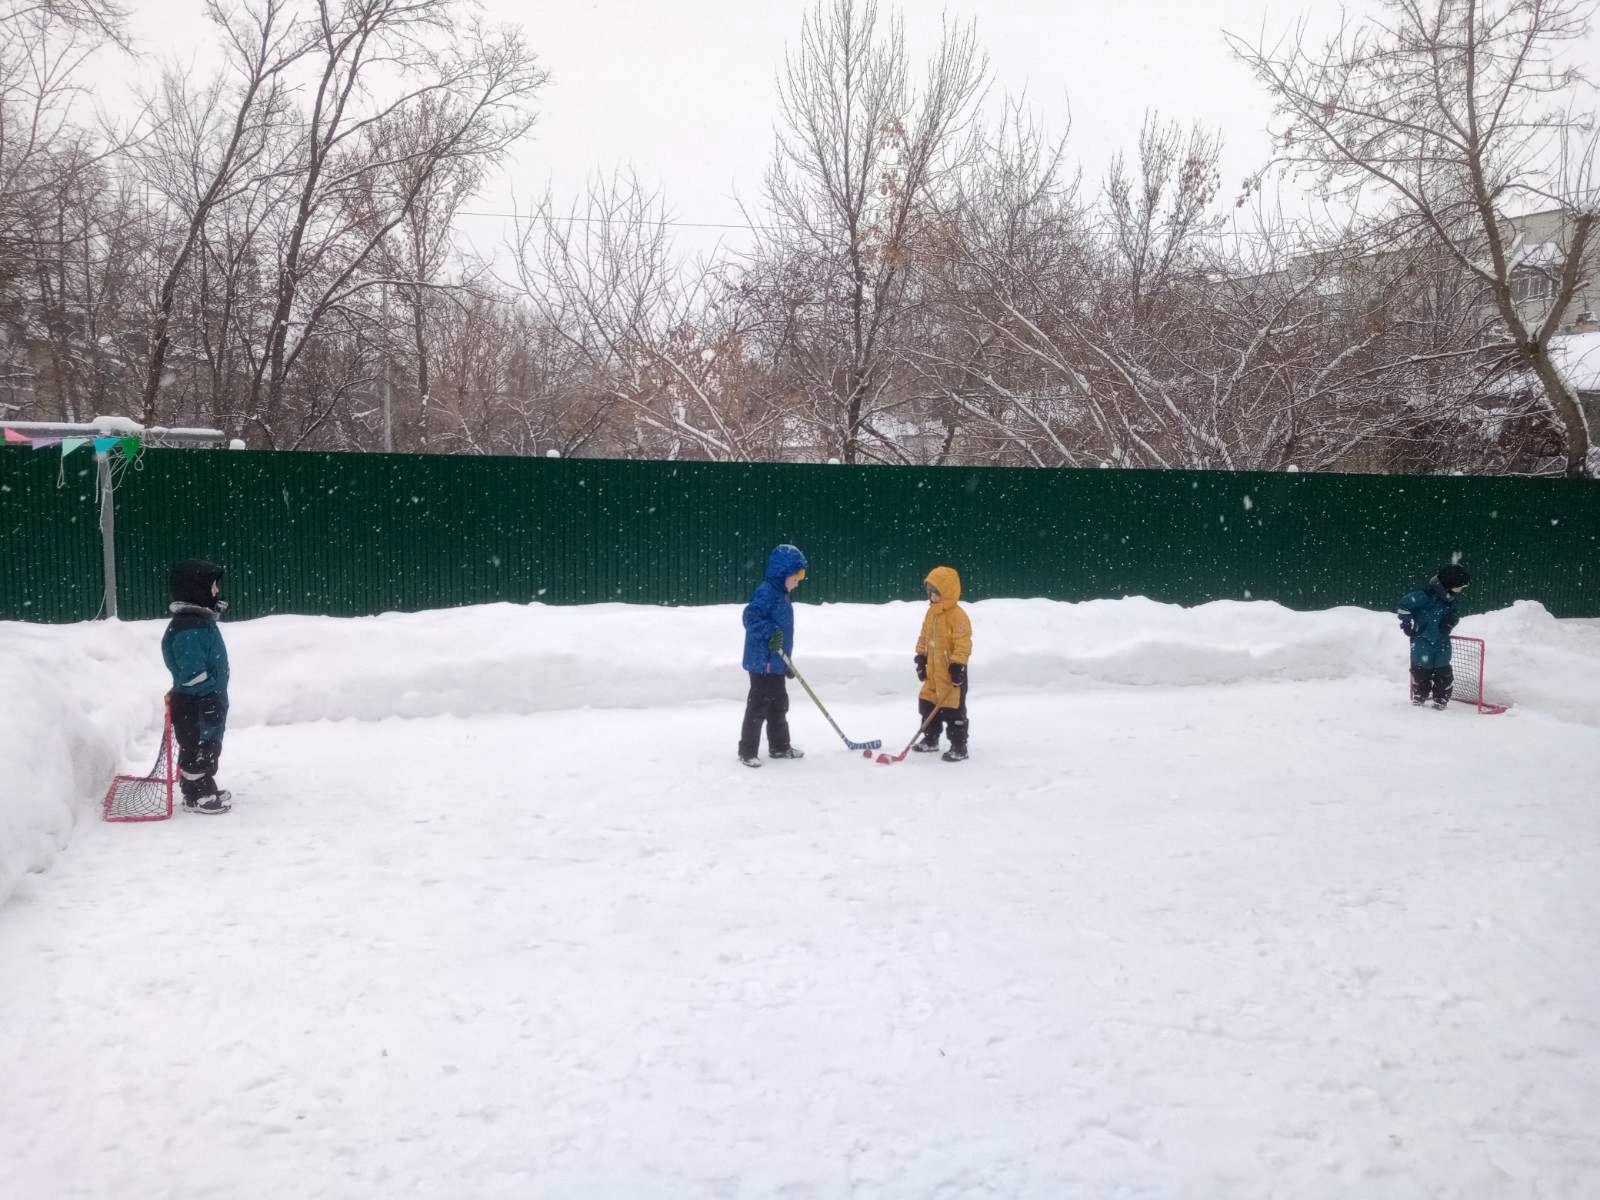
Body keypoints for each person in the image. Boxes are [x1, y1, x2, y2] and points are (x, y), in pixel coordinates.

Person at [162, 559, 233, 813]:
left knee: (206, 744)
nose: (216, 592)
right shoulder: (189, 627)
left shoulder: (198, 621)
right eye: (212, 586)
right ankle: (199, 794)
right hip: (198, 701)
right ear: (196, 589)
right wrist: (209, 693)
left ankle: (199, 790)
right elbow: (191, 672)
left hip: (203, 699)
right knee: (200, 749)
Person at [737, 544, 808, 768]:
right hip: (761, 663)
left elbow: (783, 636)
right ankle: (747, 751)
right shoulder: (767, 592)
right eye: (796, 576)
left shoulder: (783, 595)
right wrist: (770, 632)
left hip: (775, 662)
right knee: (758, 706)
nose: (798, 581)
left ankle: (780, 747)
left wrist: (785, 661)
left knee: (779, 705)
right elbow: (750, 617)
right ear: (783, 573)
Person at [913, 565, 972, 761]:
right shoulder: (931, 613)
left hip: (950, 673)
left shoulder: (958, 615)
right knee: (928, 705)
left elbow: (963, 642)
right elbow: (924, 636)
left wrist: (958, 665)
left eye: (936, 593)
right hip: (933, 673)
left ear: (947, 593)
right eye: (929, 592)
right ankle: (931, 739)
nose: (932, 596)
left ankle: (959, 746)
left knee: (953, 710)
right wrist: (921, 657)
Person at [1398, 561, 1470, 710]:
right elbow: (1404, 604)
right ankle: (1420, 695)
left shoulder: (1450, 597)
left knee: (1443, 670)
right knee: (1421, 670)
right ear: (1449, 583)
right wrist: (1406, 623)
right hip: (1422, 639)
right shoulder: (1424, 595)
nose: (1461, 589)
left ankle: (1441, 698)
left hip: (1442, 640)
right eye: (1460, 586)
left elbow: (1455, 613)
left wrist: (1451, 621)